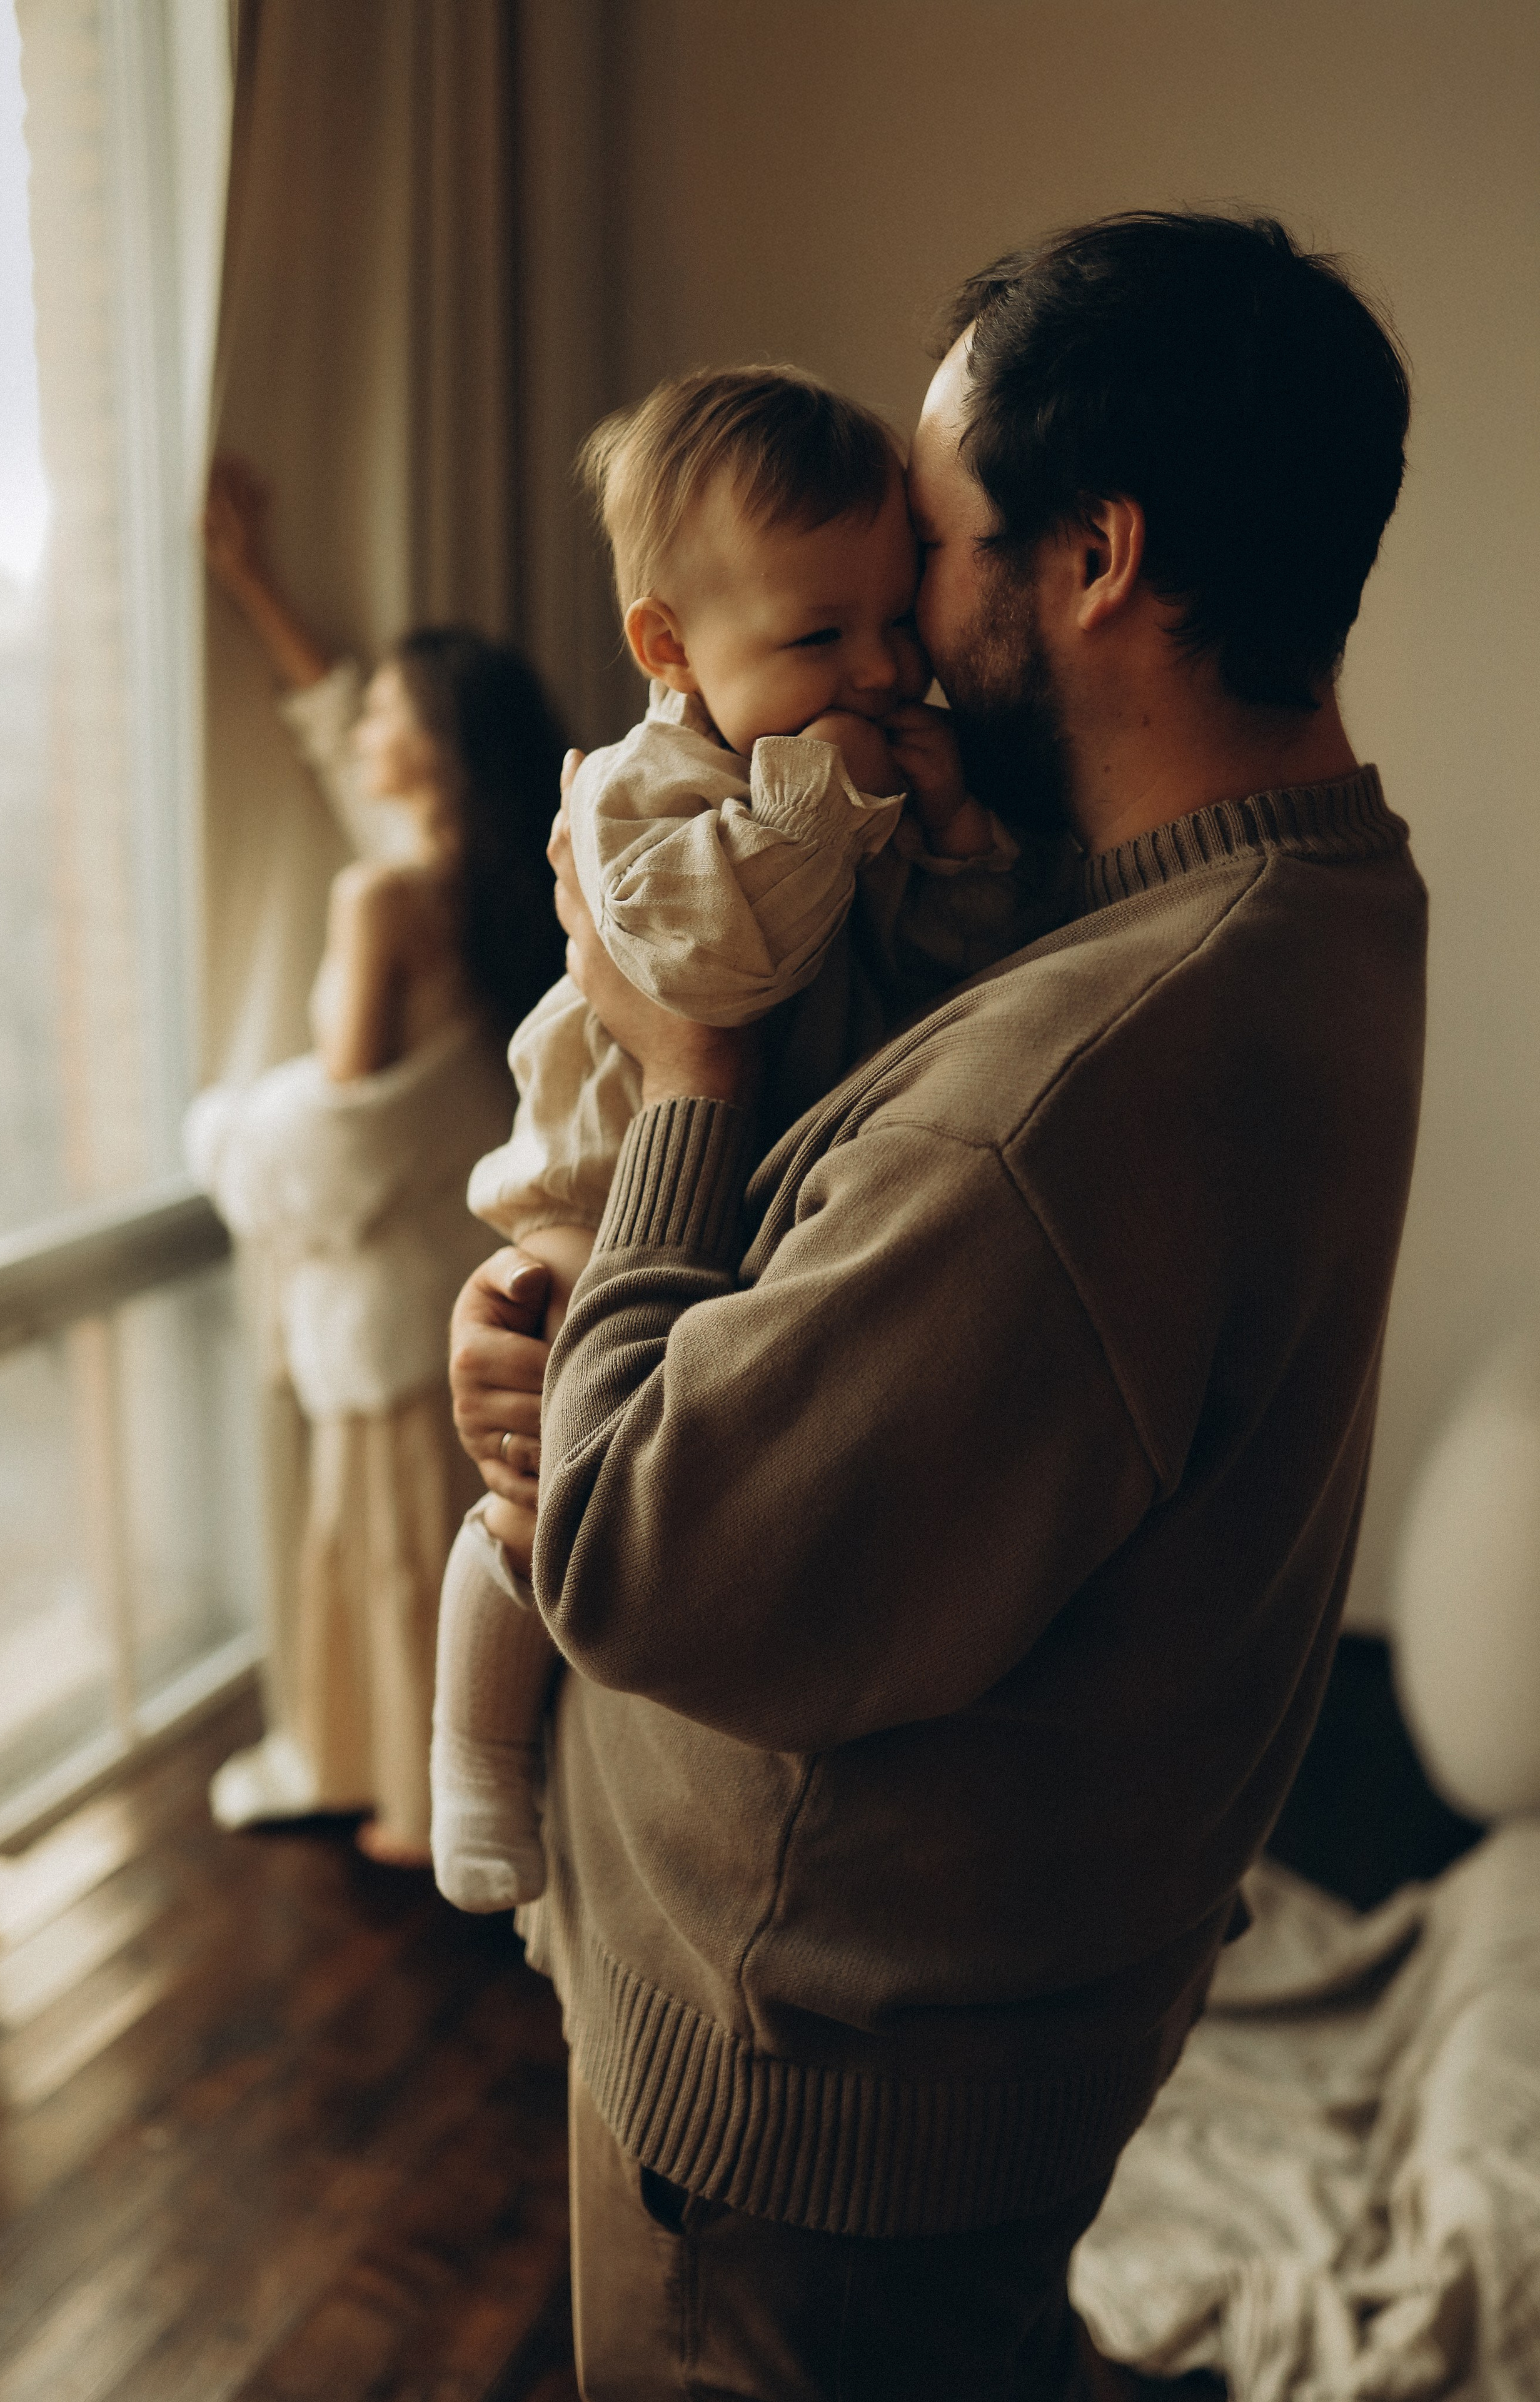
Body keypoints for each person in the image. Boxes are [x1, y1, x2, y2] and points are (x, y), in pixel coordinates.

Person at [451, 213, 1424, 2398]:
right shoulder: (1314, 906)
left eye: (941, 546)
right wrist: (576, 1295)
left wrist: (684, 1082)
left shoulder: (1080, 1089)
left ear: (1096, 555)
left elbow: (637, 1547)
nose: (897, 630)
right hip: (955, 2077)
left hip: (798, 2147)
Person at [431, 366, 1025, 1912]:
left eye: (891, 618)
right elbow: (705, 972)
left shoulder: (834, 766)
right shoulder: (643, 791)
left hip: (736, 1188)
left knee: (686, 1471)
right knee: (547, 1481)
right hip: (596, 1180)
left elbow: (936, 984)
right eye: (817, 637)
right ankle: (472, 1748)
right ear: (667, 646)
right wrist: (837, 795)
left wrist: (956, 846)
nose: (876, 669)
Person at [191, 459, 564, 1863]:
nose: (359, 730)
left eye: (387, 714)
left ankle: (418, 1806)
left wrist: (222, 1129)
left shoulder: (380, 896)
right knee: (447, 1545)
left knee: (397, 1554)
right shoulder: (508, 883)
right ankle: (446, 1781)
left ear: (437, 745)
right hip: (470, 1268)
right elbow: (327, 710)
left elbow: (334, 1132)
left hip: (388, 1290)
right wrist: (253, 585)